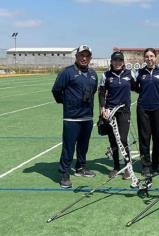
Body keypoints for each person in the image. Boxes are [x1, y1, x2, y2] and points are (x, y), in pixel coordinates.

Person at [52, 45, 98, 188]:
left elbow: (93, 91)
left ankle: (81, 167)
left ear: (90, 58)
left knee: (83, 146)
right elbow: (56, 90)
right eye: (81, 55)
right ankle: (64, 173)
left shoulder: (93, 73)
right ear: (76, 56)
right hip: (72, 118)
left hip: (87, 117)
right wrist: (67, 102)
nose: (84, 58)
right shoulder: (67, 72)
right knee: (68, 147)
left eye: (87, 56)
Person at [99, 51, 136, 179]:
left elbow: (138, 87)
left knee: (123, 139)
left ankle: (128, 166)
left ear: (123, 61)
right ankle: (116, 167)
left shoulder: (130, 74)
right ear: (112, 61)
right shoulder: (106, 75)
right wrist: (103, 107)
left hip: (124, 111)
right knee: (113, 140)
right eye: (115, 60)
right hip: (110, 112)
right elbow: (102, 93)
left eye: (120, 60)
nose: (118, 62)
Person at [135, 48, 159, 177]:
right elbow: (135, 87)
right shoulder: (139, 73)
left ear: (156, 57)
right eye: (147, 56)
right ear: (144, 58)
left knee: (157, 137)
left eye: (152, 56)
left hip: (157, 108)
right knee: (144, 138)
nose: (149, 58)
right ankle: (146, 165)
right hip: (143, 108)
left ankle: (156, 165)